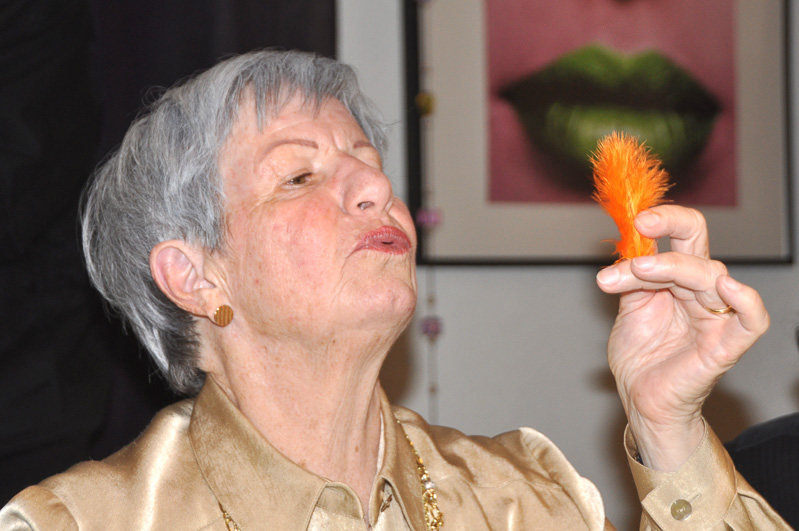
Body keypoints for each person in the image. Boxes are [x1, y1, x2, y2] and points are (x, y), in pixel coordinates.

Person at [0, 50, 787, 529]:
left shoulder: (529, 499)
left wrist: (667, 426)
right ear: (194, 276)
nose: (375, 187)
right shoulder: (77, 522)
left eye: (368, 162)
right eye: (299, 176)